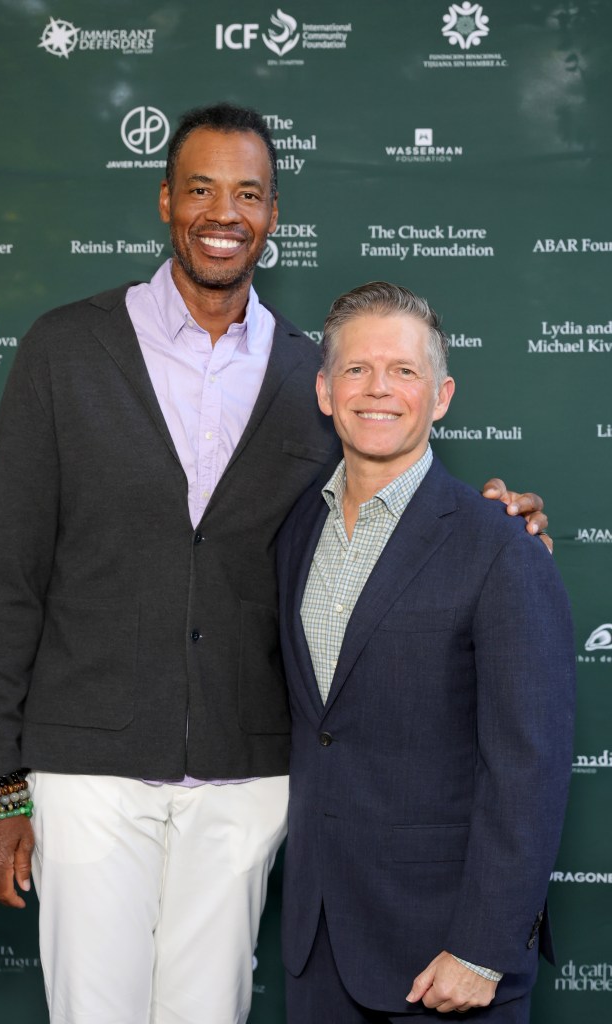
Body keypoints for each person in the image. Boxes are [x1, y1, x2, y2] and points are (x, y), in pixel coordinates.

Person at [0, 105, 549, 1024]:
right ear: (165, 201)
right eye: (200, 188)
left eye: (247, 193)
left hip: (246, 774)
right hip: (87, 764)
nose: (221, 211)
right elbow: (6, 577)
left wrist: (495, 517)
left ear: (274, 215)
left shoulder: (311, 376)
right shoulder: (63, 351)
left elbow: (381, 506)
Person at [277, 281, 575, 1024]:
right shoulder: (293, 534)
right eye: (356, 369)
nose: (378, 389)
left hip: (446, 962)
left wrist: (486, 948)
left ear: (440, 395)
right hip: (317, 950)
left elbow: (528, 765)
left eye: (404, 371)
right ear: (324, 390)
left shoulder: (502, 546)